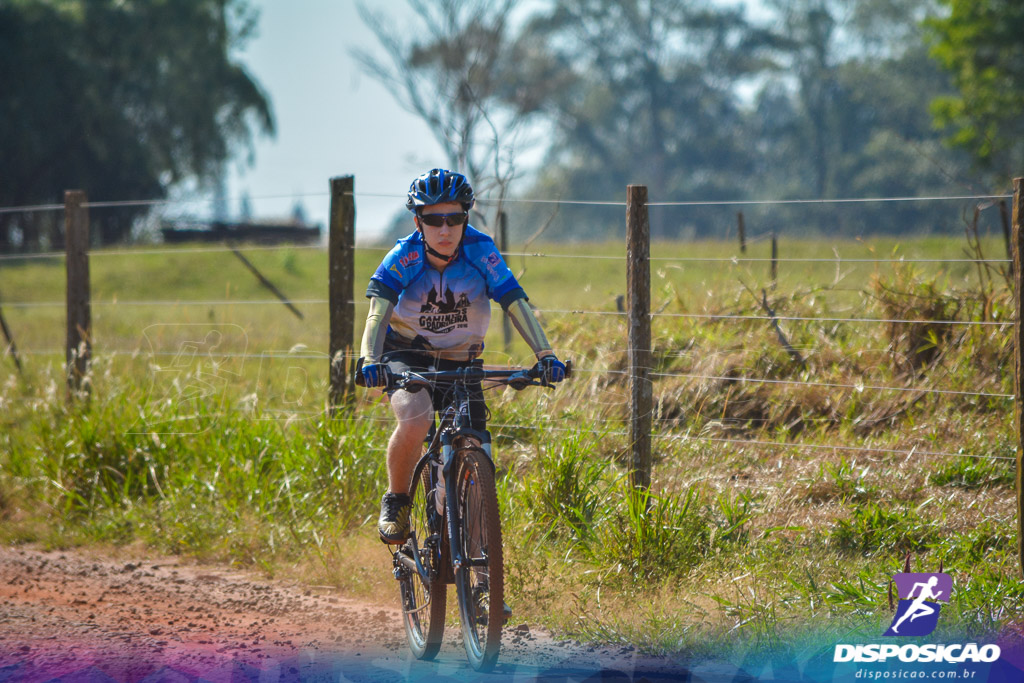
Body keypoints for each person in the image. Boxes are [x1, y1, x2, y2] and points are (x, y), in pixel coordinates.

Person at [358, 168, 566, 545]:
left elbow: (514, 302)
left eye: (454, 218)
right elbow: (378, 311)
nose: (445, 229)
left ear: (465, 218)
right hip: (408, 354)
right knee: (416, 417)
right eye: (434, 219)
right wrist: (370, 361)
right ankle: (398, 500)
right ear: (418, 221)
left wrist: (546, 354)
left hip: (462, 359)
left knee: (474, 442)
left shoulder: (481, 250)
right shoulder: (404, 255)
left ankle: (483, 577)